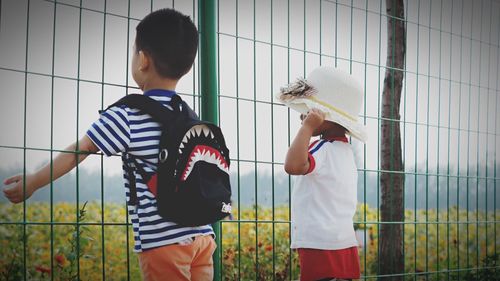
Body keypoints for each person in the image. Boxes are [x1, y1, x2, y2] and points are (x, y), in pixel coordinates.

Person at [3, 8, 216, 281]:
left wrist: (33, 182)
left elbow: (78, 151)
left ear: (142, 60)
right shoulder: (188, 114)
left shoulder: (127, 115)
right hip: (202, 235)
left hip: (164, 242)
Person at [277, 66, 367, 281]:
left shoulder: (323, 149)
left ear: (326, 117)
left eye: (309, 110)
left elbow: (293, 166)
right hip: (344, 242)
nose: (303, 116)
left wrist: (307, 129)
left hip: (318, 244)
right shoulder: (345, 153)